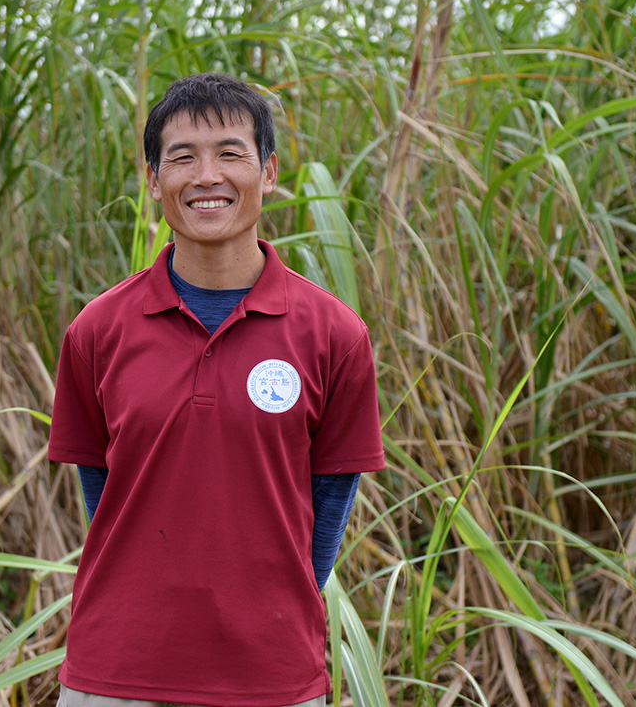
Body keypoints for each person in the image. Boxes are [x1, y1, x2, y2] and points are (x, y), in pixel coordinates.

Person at [48, 72, 385, 707]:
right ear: (153, 181)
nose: (207, 176)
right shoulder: (97, 331)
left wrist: (267, 608)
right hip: (116, 672)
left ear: (269, 171)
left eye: (230, 153)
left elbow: (331, 497)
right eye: (182, 157)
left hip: (271, 677)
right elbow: (104, 494)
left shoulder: (334, 335)